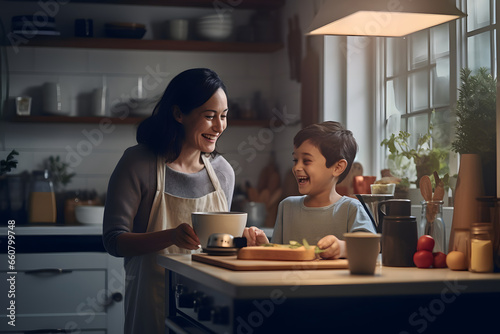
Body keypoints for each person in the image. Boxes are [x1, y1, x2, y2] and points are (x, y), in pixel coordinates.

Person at [102, 68, 264, 334]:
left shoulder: (223, 173)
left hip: (207, 307)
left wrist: (245, 241)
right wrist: (171, 236)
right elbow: (113, 241)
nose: (219, 126)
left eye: (224, 116)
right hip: (150, 303)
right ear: (178, 114)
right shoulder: (138, 163)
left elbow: (218, 248)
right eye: (209, 116)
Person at [271, 121, 376, 259]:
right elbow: (276, 253)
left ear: (337, 167)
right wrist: (261, 244)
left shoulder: (351, 208)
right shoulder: (287, 206)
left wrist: (342, 248)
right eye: (295, 160)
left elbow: (371, 247)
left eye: (306, 161)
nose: (297, 167)